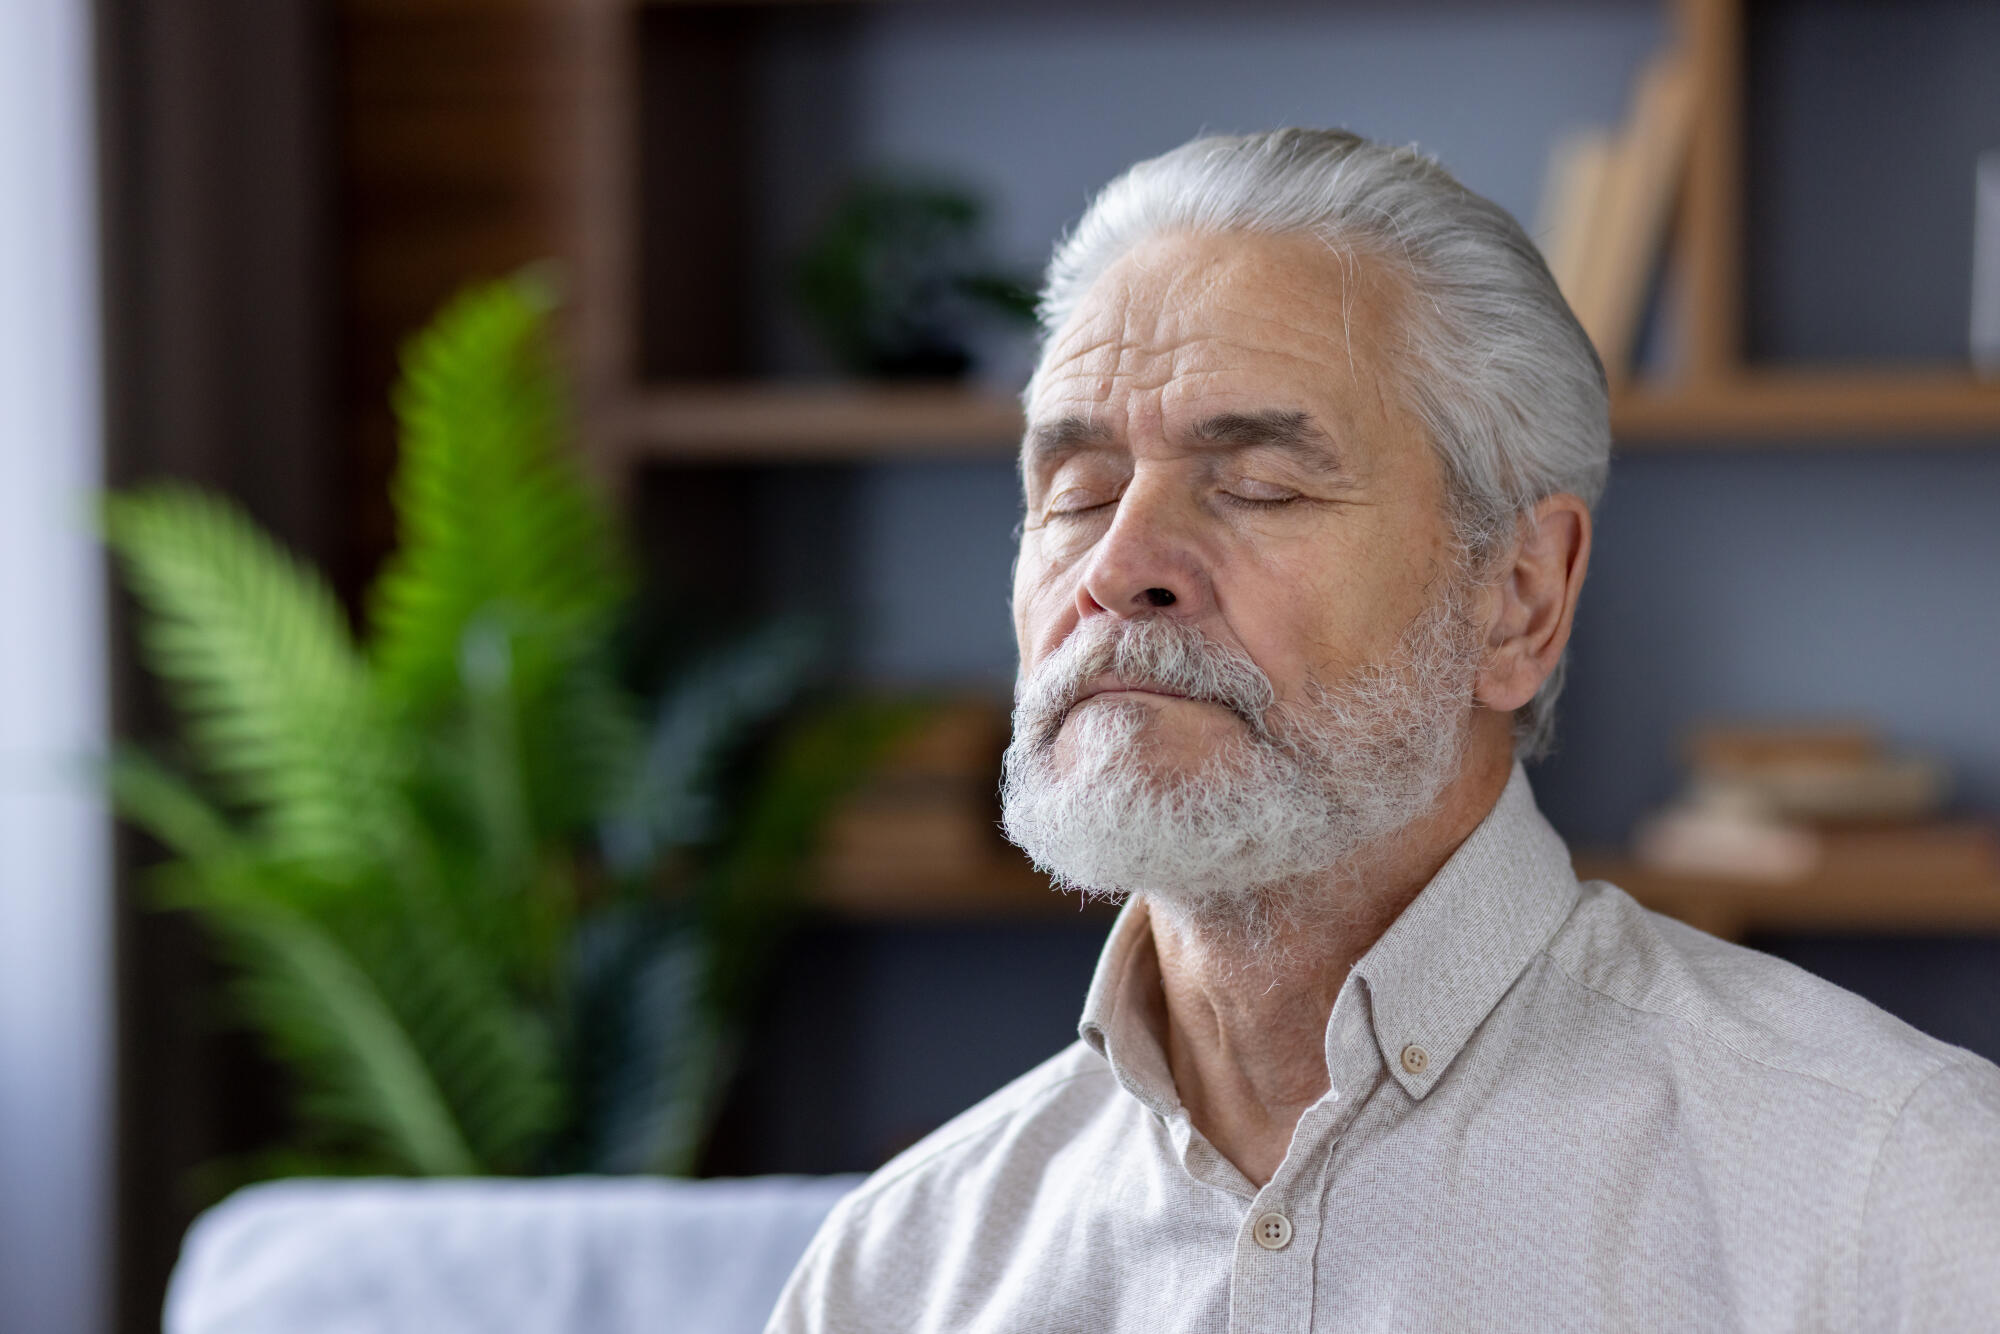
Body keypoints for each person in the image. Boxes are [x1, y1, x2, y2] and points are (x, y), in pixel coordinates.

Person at [766, 129, 2000, 1332]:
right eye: (1074, 492)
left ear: (1517, 598)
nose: (1119, 564)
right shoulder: (898, 1272)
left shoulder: (1896, 1196)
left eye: (1257, 484)